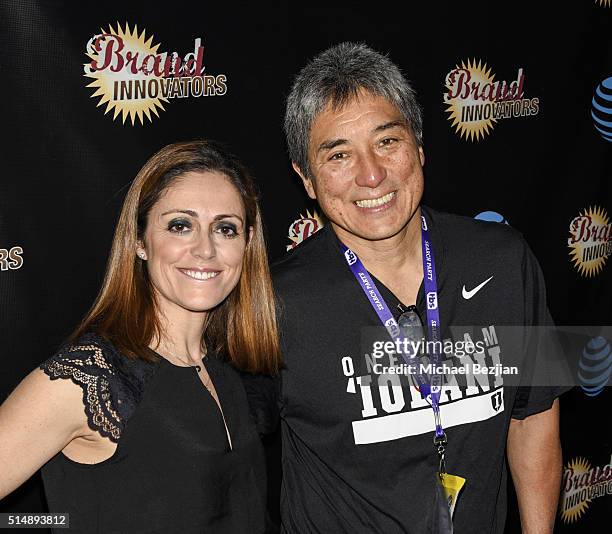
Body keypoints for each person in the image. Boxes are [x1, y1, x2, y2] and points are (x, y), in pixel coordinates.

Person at [271, 42, 565, 533]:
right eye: (338, 154)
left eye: (387, 142)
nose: (371, 175)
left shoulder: (502, 259)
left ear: (420, 146)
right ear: (306, 178)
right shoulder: (274, 301)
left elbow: (533, 413)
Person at [0, 140, 281, 533]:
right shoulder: (91, 378)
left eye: (225, 228)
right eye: (180, 225)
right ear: (139, 242)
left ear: (247, 244)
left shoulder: (231, 370)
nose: (205, 249)